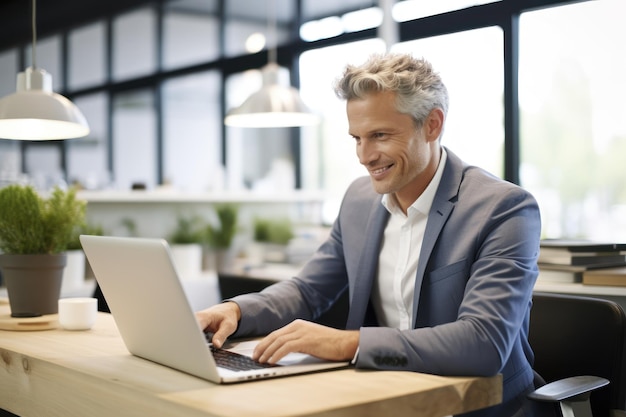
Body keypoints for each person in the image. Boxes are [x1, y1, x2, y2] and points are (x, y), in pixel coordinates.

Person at [196, 53, 553, 417]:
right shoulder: (359, 200)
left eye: (380, 135)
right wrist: (236, 310)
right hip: (384, 396)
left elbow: (484, 343)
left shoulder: (503, 208)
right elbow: (308, 289)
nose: (365, 156)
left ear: (432, 125)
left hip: (482, 408)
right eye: (357, 138)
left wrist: (347, 343)